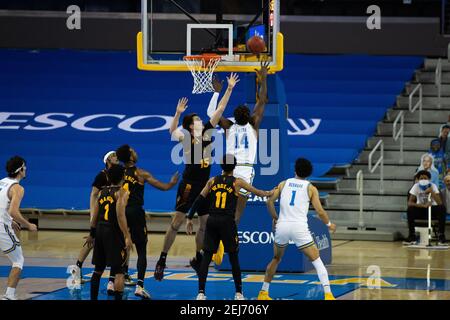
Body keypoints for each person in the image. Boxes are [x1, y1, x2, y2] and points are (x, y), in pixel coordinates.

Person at [154, 73, 240, 281]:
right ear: (191, 126)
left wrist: (228, 89)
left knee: (205, 224)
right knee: (176, 223)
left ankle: (198, 258)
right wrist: (177, 113)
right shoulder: (185, 136)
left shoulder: (209, 131)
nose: (201, 121)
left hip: (205, 186)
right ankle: (162, 259)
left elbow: (220, 110)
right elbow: (172, 130)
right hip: (189, 186)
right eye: (197, 120)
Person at [185, 154, 273, 300]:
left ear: (221, 165)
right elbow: (258, 192)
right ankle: (239, 293)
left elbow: (199, 199)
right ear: (235, 166)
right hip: (227, 222)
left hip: (212, 221)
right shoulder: (237, 182)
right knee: (233, 258)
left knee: (206, 258)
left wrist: (189, 217)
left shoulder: (212, 181)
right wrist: (270, 193)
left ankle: (201, 293)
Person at [206, 62, 269, 265]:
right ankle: (227, 242)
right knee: (237, 213)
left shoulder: (228, 126)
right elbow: (262, 101)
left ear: (235, 116)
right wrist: (263, 78)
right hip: (246, 172)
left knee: (221, 208)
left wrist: (219, 91)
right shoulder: (254, 124)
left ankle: (216, 243)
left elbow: (213, 113)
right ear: (249, 116)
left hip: (229, 171)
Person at [257, 158, 337, 301]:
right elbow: (320, 211)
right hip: (299, 228)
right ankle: (328, 295)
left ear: (295, 170)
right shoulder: (310, 188)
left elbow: (269, 201)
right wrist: (329, 224)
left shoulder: (283, 184)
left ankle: (263, 292)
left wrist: (275, 218)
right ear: (309, 173)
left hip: (282, 226)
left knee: (276, 258)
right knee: (317, 260)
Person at [115, 144, 179, 299]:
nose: (135, 152)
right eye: (132, 151)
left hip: (120, 211)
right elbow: (163, 187)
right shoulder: (140, 173)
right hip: (136, 212)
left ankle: (114, 281)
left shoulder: (118, 173)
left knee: (121, 247)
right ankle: (140, 286)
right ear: (130, 157)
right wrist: (172, 182)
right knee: (141, 250)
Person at [72, 151, 126, 287]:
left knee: (109, 244)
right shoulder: (102, 175)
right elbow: (93, 194)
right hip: (102, 215)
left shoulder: (118, 173)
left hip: (111, 215)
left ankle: (118, 273)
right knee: (93, 240)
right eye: (114, 156)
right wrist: (93, 215)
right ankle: (77, 268)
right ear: (107, 160)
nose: (116, 157)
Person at [89, 164, 132, 300]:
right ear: (123, 177)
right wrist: (127, 236)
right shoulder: (122, 192)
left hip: (101, 230)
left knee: (98, 270)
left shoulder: (102, 192)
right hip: (113, 231)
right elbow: (120, 216)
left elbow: (94, 215)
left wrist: (92, 233)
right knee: (119, 271)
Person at [0, 156, 38, 300]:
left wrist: (10, 220)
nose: (26, 169)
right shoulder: (18, 188)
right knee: (18, 261)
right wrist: (28, 225)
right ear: (20, 169)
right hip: (1, 228)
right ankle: (9, 296)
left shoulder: (2, 182)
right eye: (24, 167)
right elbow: (13, 211)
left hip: (3, 223)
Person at [404, 170, 447, 245]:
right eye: (421, 178)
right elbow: (410, 203)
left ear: (429, 179)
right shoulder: (416, 186)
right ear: (418, 180)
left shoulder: (433, 186)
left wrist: (432, 192)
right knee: (410, 210)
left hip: (432, 209)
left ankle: (441, 236)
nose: (423, 180)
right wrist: (423, 205)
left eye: (425, 178)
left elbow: (440, 203)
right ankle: (412, 236)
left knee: (442, 208)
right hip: (421, 209)